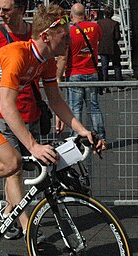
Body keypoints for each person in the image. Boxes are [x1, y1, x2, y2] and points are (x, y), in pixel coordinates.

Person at [0, 3, 103, 256]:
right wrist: (33, 145)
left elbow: (56, 101)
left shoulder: (46, 60)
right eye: (64, 36)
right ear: (46, 36)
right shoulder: (18, 54)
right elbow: (7, 105)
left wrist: (84, 130)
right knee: (12, 162)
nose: (69, 40)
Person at [0, 0, 41, 240]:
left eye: (6, 9)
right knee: (14, 169)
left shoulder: (35, 35)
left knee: (20, 170)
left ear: (21, 10)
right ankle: (27, 226)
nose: (0, 14)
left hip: (31, 109)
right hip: (2, 113)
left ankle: (9, 212)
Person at [57, 3, 107, 148]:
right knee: (94, 107)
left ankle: (75, 140)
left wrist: (58, 77)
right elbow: (98, 39)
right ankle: (101, 139)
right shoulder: (95, 27)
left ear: (71, 15)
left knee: (75, 108)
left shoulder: (70, 32)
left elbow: (63, 57)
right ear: (84, 14)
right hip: (91, 71)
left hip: (75, 73)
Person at [98, 6, 123, 84]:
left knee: (104, 67)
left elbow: (98, 35)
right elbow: (117, 37)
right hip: (113, 47)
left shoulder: (99, 23)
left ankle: (105, 85)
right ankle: (119, 84)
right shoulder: (115, 23)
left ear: (104, 14)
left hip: (103, 47)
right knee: (117, 66)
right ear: (112, 14)